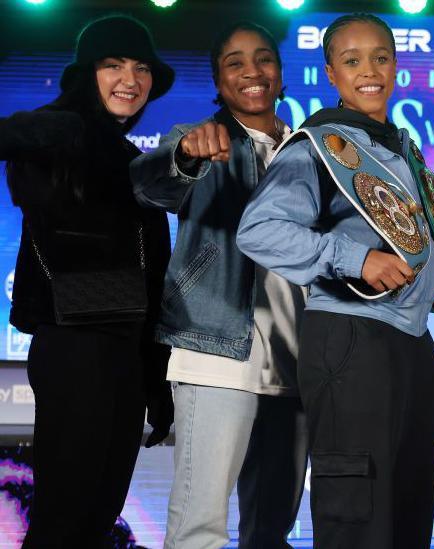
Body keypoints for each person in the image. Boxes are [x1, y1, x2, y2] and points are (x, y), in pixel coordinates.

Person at [237, 13, 434, 548]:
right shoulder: (318, 145)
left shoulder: (400, 149)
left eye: (380, 57)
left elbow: (410, 248)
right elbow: (258, 230)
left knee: (408, 508)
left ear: (396, 65)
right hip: (350, 340)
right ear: (331, 73)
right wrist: (355, 259)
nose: (369, 70)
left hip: (412, 344)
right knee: (354, 517)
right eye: (352, 60)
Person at [129, 22, 308, 549]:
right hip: (217, 356)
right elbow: (149, 182)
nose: (252, 71)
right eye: (235, 62)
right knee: (199, 530)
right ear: (218, 80)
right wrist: (185, 156)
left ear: (280, 72)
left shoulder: (310, 150)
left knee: (270, 530)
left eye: (263, 59)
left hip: (298, 363)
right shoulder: (199, 139)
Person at [0, 15, 174, 547]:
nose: (131, 78)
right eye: (113, 65)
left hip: (124, 354)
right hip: (75, 347)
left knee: (98, 518)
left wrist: (155, 380)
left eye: (140, 67)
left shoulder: (128, 157)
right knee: (62, 520)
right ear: (85, 75)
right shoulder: (59, 133)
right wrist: (63, 122)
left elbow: (151, 277)